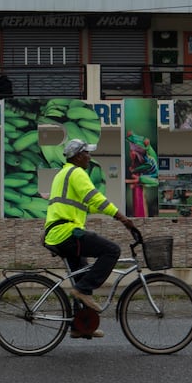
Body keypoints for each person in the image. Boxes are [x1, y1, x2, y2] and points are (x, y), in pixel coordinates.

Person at [44, 138, 136, 337]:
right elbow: (95, 197)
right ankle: (82, 290)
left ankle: (80, 326)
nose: (89, 157)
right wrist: (121, 217)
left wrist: (110, 214)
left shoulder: (64, 173)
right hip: (67, 232)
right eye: (87, 153)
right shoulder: (77, 173)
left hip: (59, 232)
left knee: (82, 274)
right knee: (112, 250)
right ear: (78, 156)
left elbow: (90, 204)